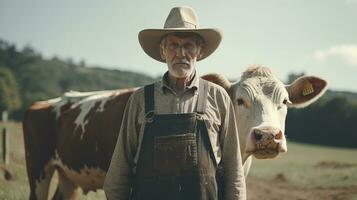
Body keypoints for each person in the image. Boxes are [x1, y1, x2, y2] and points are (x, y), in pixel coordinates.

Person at [103, 6, 246, 200]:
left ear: (200, 51)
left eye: (188, 45)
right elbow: (118, 175)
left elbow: (234, 171)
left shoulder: (218, 98)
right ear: (163, 52)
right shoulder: (139, 101)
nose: (181, 53)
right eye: (173, 45)